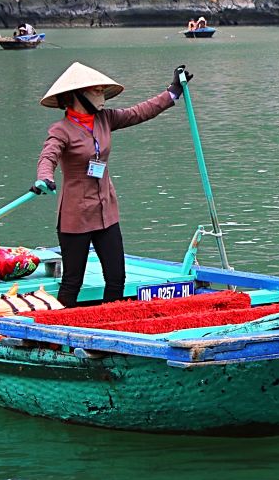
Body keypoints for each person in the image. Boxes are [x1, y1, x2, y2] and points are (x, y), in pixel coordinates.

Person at [33, 62, 194, 307]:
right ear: (77, 96)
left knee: (117, 277)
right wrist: (45, 177)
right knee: (72, 281)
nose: (102, 97)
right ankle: (58, 332)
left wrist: (173, 91)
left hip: (106, 210)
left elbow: (141, 111)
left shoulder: (105, 119)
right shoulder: (61, 130)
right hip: (76, 215)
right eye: (96, 91)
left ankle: (110, 322)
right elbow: (48, 156)